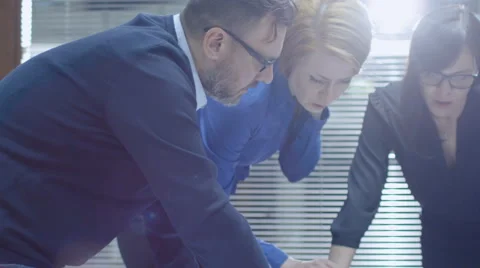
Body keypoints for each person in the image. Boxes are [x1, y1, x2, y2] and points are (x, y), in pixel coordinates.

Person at [0, 0, 296, 267]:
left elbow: (158, 225)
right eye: (264, 62)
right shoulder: (149, 72)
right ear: (216, 43)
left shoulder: (152, 62)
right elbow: (203, 211)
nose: (268, 77)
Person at [117, 0, 372, 267]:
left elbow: (297, 169)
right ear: (289, 59)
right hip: (160, 221)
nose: (330, 95)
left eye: (344, 81)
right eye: (318, 80)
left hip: (197, 218)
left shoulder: (301, 96)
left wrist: (314, 113)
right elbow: (205, 212)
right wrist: (284, 263)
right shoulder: (245, 103)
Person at [328, 5, 480, 268]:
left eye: (461, 77)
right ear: (416, 67)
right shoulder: (388, 108)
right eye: (433, 75)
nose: (445, 90)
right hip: (438, 241)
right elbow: (363, 194)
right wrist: (335, 265)